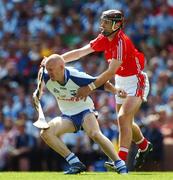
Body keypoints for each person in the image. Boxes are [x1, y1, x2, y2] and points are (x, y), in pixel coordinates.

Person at [54, 9, 153, 169]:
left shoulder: (121, 41)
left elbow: (110, 72)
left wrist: (90, 87)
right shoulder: (104, 38)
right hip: (120, 81)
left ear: (117, 24)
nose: (102, 25)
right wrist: (56, 60)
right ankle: (144, 146)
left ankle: (120, 161)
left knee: (123, 118)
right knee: (127, 121)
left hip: (136, 80)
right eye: (103, 21)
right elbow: (81, 52)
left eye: (106, 22)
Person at [33, 54, 128, 174]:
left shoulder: (76, 77)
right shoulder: (46, 77)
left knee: (95, 134)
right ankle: (75, 163)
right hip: (67, 116)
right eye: (48, 69)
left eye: (51, 69)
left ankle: (119, 163)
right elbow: (41, 75)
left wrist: (116, 91)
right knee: (46, 133)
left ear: (62, 67)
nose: (49, 72)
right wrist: (38, 92)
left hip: (85, 111)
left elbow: (102, 83)